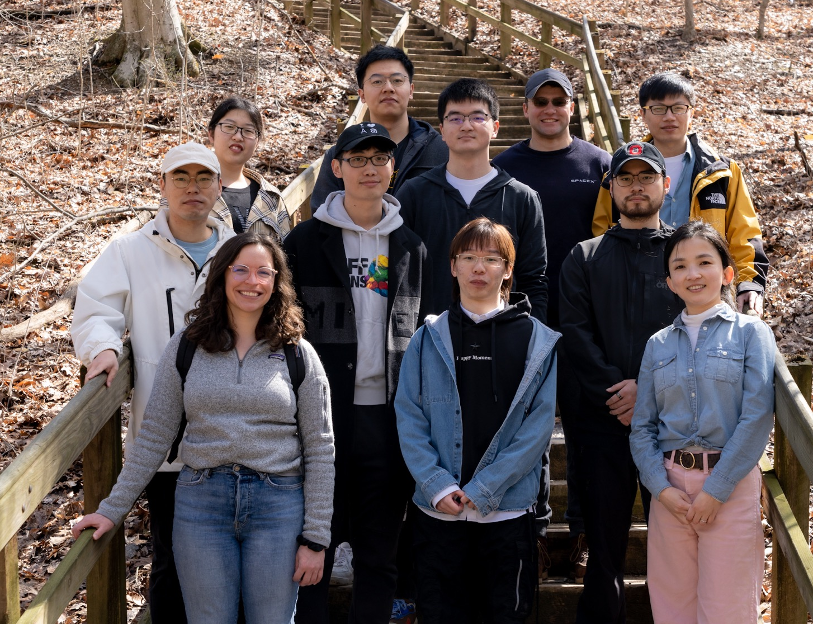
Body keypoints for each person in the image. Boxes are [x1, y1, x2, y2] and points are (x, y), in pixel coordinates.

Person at [72, 233, 336, 624]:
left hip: (278, 505)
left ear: (276, 282)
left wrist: (316, 538)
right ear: (222, 276)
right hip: (202, 504)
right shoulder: (188, 345)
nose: (252, 281)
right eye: (241, 269)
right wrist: (112, 509)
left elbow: (320, 447)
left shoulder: (298, 352)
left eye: (264, 272)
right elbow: (155, 436)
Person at [70, 142, 236, 623]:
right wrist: (102, 348)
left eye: (203, 178)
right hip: (166, 445)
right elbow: (95, 308)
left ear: (218, 187)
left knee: (229, 563)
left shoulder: (236, 250)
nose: (192, 188)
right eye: (179, 177)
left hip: (233, 437)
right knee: (172, 564)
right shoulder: (128, 251)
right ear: (162, 186)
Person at [285, 122, 431, 623]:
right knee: (313, 551)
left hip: (387, 421)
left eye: (380, 159)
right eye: (358, 159)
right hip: (322, 418)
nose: (370, 169)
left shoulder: (411, 246)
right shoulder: (304, 243)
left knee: (379, 553)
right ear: (337, 168)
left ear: (393, 169)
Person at [394, 217, 559, 623]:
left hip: (507, 514)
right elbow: (409, 414)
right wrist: (436, 485)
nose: (479, 268)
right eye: (468, 257)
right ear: (453, 267)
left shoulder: (537, 339)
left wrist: (485, 488)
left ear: (507, 269)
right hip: (438, 513)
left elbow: (538, 429)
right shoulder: (428, 336)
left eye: (491, 258)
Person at [492, 68, 610, 581]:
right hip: (521, 319)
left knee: (586, 434)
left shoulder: (599, 164)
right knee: (527, 433)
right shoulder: (504, 167)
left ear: (572, 106)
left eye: (558, 100)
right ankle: (532, 538)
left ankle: (584, 534)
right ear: (525, 108)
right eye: (539, 100)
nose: (549, 108)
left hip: (588, 319)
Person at [559, 141, 682, 624]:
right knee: (605, 548)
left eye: (645, 176)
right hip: (600, 423)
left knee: (673, 544)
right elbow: (575, 333)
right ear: (610, 187)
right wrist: (619, 393)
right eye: (625, 178)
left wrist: (646, 395)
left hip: (672, 426)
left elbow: (695, 332)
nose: (636, 186)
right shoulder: (585, 257)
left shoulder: (684, 255)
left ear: (664, 185)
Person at [630, 221, 775, 622]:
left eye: (704, 262)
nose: (693, 274)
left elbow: (757, 414)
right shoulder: (657, 344)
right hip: (671, 491)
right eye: (680, 266)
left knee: (726, 609)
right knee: (672, 607)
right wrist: (660, 488)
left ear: (727, 273)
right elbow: (642, 426)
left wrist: (718, 488)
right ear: (670, 281)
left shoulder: (752, 334)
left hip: (728, 487)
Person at [592, 72, 769, 315]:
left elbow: (744, 235)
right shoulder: (618, 174)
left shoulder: (722, 172)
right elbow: (603, 235)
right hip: (636, 295)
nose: (669, 116)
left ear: (691, 112)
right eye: (657, 108)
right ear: (642, 114)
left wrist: (749, 283)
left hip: (707, 291)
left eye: (678, 108)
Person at [397, 78, 548, 322]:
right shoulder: (414, 193)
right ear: (442, 131)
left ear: (495, 127)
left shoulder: (522, 198)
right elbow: (398, 272)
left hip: (503, 338)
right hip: (430, 335)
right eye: (455, 118)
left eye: (478, 117)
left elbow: (534, 279)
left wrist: (530, 337)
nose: (466, 126)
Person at [310, 44, 449, 207]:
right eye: (377, 81)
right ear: (361, 94)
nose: (388, 88)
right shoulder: (342, 155)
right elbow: (324, 215)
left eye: (397, 80)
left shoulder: (442, 150)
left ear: (411, 90)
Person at [208, 96, 292, 240]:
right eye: (229, 127)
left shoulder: (271, 197)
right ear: (211, 134)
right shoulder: (189, 188)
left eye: (248, 131)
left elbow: (286, 256)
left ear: (257, 141)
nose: (238, 137)